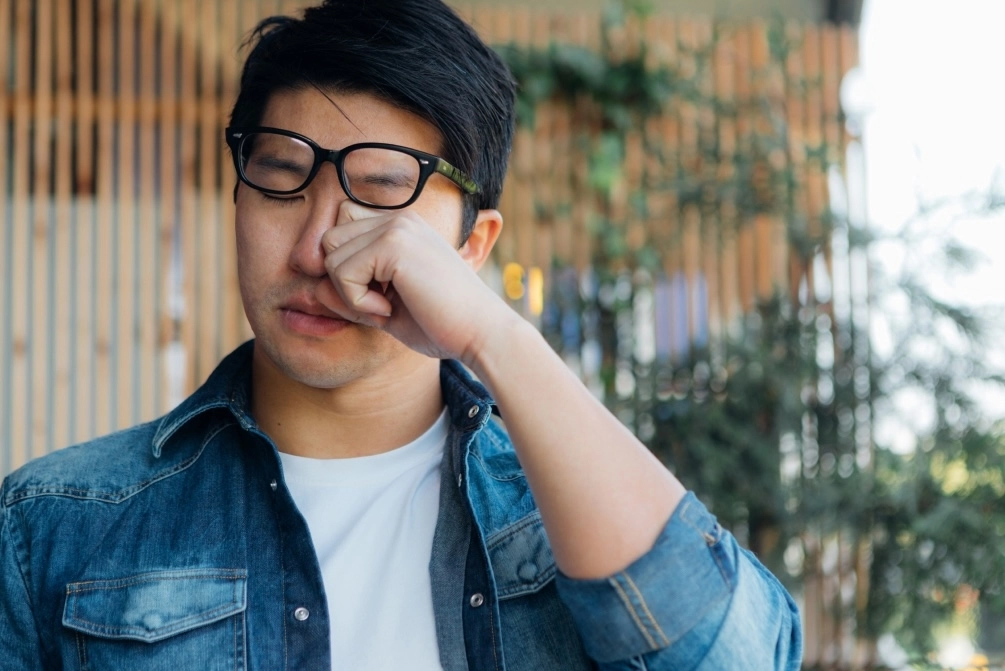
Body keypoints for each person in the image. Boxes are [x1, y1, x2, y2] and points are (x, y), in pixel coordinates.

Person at [0, 0, 802, 668]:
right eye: (280, 176)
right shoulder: (56, 523)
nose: (317, 246)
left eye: (380, 190)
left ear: (472, 245)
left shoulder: (576, 508)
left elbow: (736, 654)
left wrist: (492, 333)